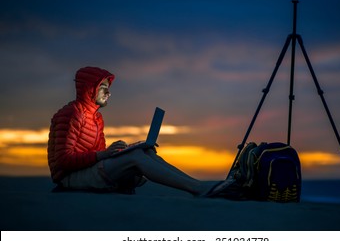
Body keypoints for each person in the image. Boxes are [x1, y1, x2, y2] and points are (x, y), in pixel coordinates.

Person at [47, 66, 215, 196]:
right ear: (90, 88)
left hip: (89, 170)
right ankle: (198, 189)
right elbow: (63, 160)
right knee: (135, 158)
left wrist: (125, 150)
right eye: (103, 87)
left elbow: (99, 154)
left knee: (146, 151)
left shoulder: (96, 118)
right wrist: (103, 155)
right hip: (70, 177)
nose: (109, 93)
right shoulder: (72, 114)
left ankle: (197, 185)